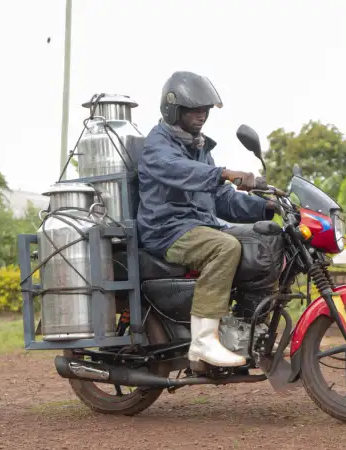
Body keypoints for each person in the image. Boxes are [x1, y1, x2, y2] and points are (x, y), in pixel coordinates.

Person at [137, 70, 274, 370]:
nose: (202, 115)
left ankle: (247, 328)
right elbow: (180, 171)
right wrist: (224, 172)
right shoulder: (158, 145)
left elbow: (221, 198)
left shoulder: (199, 147)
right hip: (167, 231)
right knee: (224, 247)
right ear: (174, 110)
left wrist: (266, 208)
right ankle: (202, 342)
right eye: (194, 109)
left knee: (267, 240)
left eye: (206, 110)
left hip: (199, 226)